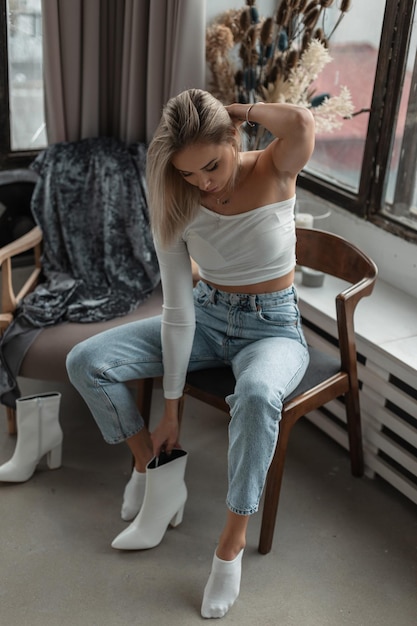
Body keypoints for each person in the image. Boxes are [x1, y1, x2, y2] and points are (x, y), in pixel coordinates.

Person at [66, 88, 315, 619]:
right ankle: (155, 471)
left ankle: (230, 546)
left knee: (254, 394)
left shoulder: (275, 166)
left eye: (212, 165)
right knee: (86, 361)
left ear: (233, 137)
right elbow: (178, 309)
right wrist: (170, 412)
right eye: (188, 173)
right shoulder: (175, 198)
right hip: (202, 318)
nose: (203, 182)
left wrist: (237, 108)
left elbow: (298, 121)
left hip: (272, 328)